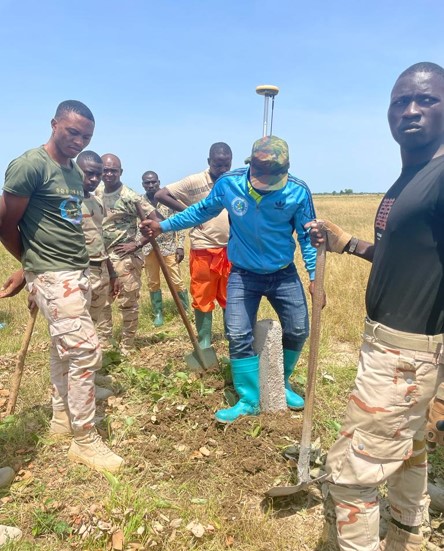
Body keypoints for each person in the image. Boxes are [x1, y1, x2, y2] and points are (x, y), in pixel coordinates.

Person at [308, 62, 444, 550]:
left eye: (425, 100)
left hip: (405, 357)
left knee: (349, 477)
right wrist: (348, 244)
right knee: (409, 457)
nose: (410, 110)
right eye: (399, 102)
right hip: (395, 351)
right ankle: (409, 539)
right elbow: (407, 256)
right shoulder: (412, 175)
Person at [142, 136, 317, 422]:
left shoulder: (298, 191)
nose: (267, 183)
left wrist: (314, 276)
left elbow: (309, 238)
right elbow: (201, 210)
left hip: (283, 274)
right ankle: (248, 398)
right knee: (237, 333)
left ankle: (279, 382)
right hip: (243, 274)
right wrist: (162, 226)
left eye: (275, 177)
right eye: (261, 176)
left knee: (298, 329)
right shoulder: (230, 184)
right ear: (251, 167)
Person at [0, 100, 124, 473]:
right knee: (86, 352)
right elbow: (6, 223)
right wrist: (30, 267)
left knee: (64, 350)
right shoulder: (31, 165)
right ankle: (85, 440)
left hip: (76, 272)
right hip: (54, 275)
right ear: (54, 124)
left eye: (86, 136)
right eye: (72, 132)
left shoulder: (71, 171)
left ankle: (60, 418)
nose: (78, 140)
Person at [155, 143, 232, 348]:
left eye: (227, 165)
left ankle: (230, 336)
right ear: (209, 162)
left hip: (232, 249)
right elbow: (161, 194)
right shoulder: (194, 181)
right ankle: (205, 339)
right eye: (218, 165)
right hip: (203, 248)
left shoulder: (234, 181)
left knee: (230, 296)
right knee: (202, 294)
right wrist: (190, 212)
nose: (223, 170)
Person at [95, 154, 159, 355]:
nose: (109, 174)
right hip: (100, 259)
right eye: (105, 170)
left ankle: (127, 345)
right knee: (101, 301)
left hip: (124, 258)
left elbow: (155, 224)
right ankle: (104, 343)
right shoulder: (94, 192)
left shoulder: (131, 197)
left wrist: (138, 243)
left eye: (113, 170)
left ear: (120, 172)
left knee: (127, 302)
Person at [77, 150, 119, 399]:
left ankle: (92, 373)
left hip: (100, 268)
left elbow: (102, 239)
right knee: (80, 328)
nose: (94, 179)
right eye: (88, 173)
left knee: (96, 324)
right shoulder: (67, 202)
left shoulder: (97, 202)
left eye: (97, 174)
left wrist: (112, 273)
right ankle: (83, 383)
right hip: (79, 271)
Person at [141, 170, 189, 327]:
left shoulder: (168, 199)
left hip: (169, 247)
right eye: (147, 182)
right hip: (148, 248)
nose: (150, 185)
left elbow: (180, 223)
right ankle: (158, 314)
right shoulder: (139, 202)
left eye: (153, 182)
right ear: (143, 184)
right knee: (152, 282)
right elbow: (137, 227)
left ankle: (186, 311)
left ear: (158, 182)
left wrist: (180, 246)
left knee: (176, 280)